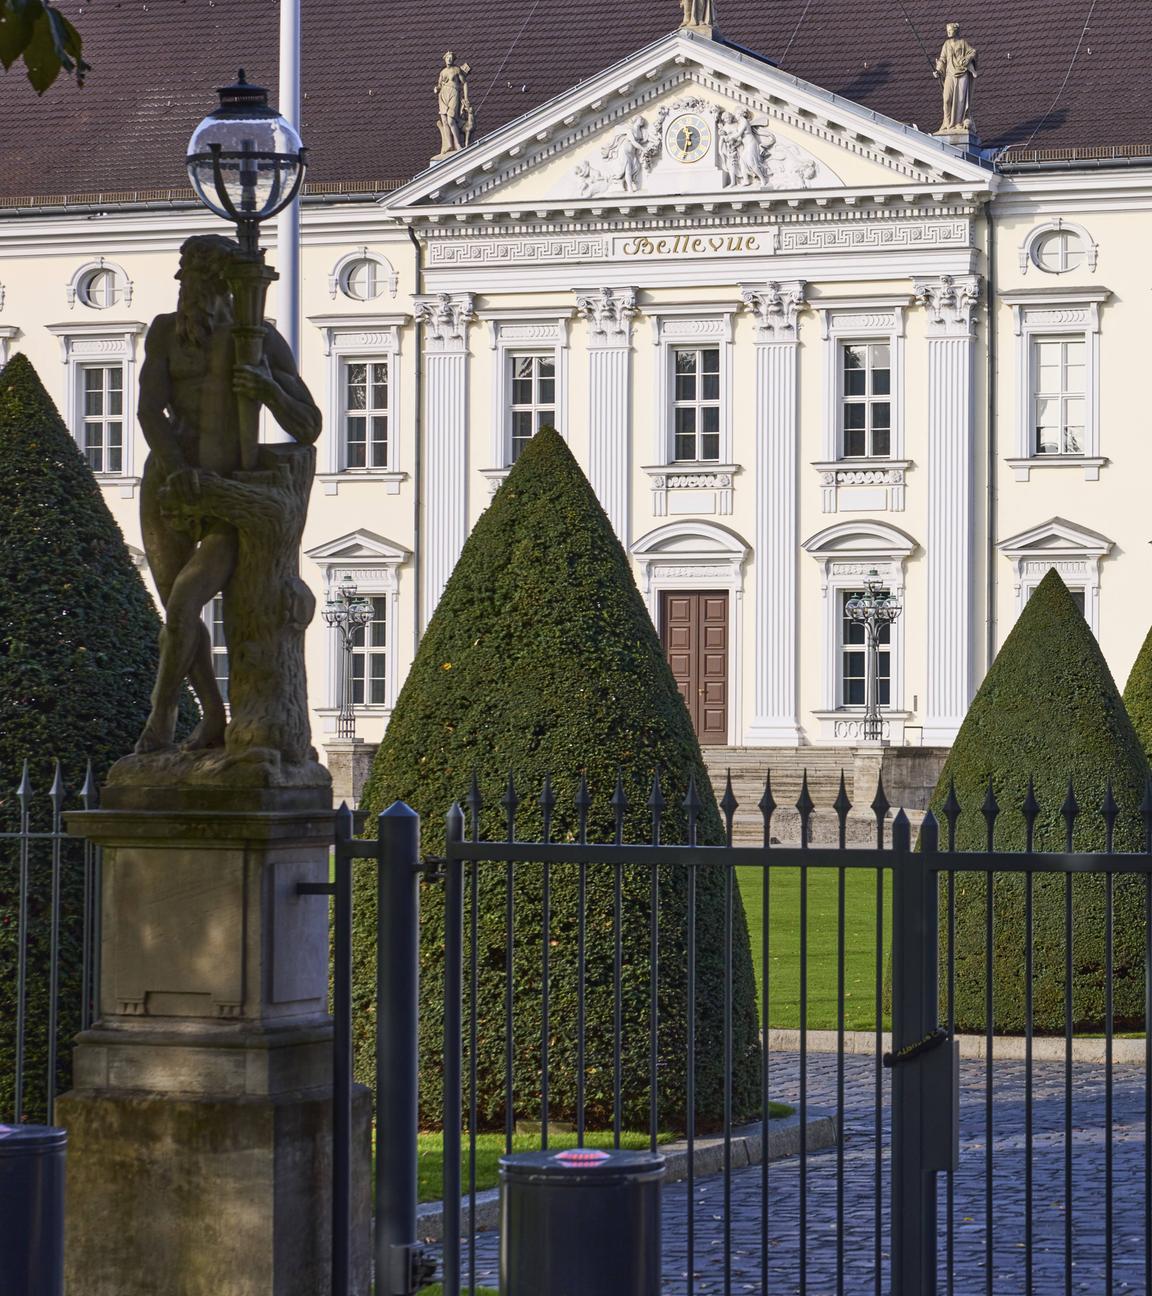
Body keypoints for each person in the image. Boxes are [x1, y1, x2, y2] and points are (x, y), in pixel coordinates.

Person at [133, 234, 321, 754]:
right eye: (191, 278)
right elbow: (150, 410)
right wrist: (177, 469)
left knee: (182, 604)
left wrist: (266, 387)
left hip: (228, 491)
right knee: (177, 606)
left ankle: (162, 715)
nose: (195, 289)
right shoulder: (168, 333)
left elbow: (308, 425)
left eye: (207, 279)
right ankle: (212, 715)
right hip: (170, 482)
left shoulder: (257, 338)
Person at [934, 21, 977, 132]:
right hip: (950, 74)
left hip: (962, 73)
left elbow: (973, 52)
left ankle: (958, 123)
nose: (948, 32)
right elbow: (942, 59)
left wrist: (968, 58)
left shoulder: (962, 43)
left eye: (950, 30)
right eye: (947, 30)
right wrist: (938, 70)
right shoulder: (946, 44)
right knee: (947, 99)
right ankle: (947, 123)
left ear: (956, 31)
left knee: (961, 99)